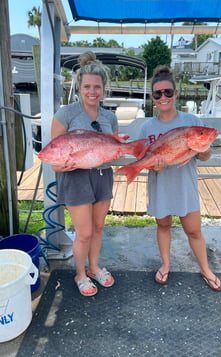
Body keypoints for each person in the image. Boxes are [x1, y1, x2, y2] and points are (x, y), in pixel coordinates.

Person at [139, 65, 221, 291]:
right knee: (163, 226)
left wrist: (203, 150)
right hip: (161, 186)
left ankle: (205, 269)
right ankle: (166, 265)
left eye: (167, 92)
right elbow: (145, 158)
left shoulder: (192, 121)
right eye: (158, 94)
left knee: (194, 230)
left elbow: (204, 155)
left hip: (185, 186)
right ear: (153, 98)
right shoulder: (147, 127)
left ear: (176, 94)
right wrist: (153, 166)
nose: (163, 97)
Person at [50, 52, 116, 296]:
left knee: (98, 227)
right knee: (84, 232)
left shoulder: (110, 117)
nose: (92, 91)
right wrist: (60, 167)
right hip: (76, 178)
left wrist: (119, 148)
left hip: (103, 177)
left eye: (97, 87)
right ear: (79, 87)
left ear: (104, 89)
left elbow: (113, 151)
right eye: (87, 86)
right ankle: (80, 273)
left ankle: (94, 267)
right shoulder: (65, 114)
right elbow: (53, 155)